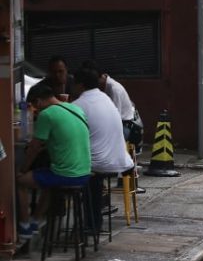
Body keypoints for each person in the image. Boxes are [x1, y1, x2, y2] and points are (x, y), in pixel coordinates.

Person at [16, 83, 92, 240]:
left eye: (34, 106)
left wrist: (23, 169)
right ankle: (36, 220)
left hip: (66, 175)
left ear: (38, 101)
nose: (35, 110)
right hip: (85, 172)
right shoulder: (74, 109)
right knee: (47, 182)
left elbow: (34, 148)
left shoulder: (47, 114)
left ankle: (25, 226)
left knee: (20, 182)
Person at [73, 67, 135, 228]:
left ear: (80, 85)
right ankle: (93, 222)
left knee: (75, 171)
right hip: (118, 159)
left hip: (100, 163)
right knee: (92, 177)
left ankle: (90, 224)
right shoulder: (105, 98)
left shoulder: (79, 104)